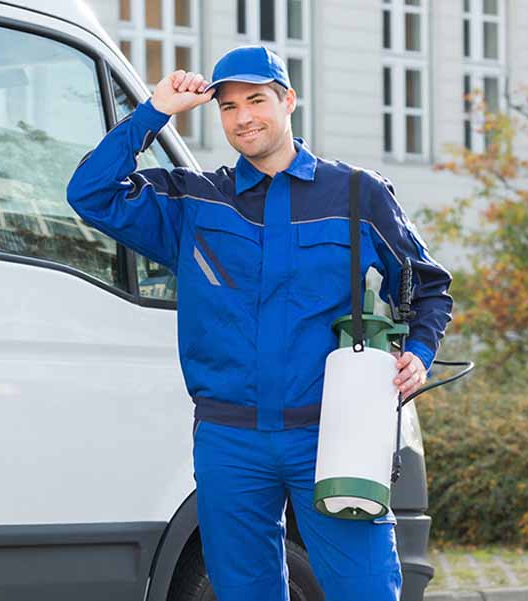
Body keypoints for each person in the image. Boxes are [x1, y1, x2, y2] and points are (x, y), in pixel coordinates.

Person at [67, 45, 453, 601]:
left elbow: (427, 287)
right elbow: (90, 193)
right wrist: (156, 111)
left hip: (332, 433)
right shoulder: (196, 202)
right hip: (230, 440)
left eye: (256, 100)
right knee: (244, 591)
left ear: (288, 100)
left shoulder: (356, 195)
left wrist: (418, 349)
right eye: (227, 107)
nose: (243, 117)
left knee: (365, 587)